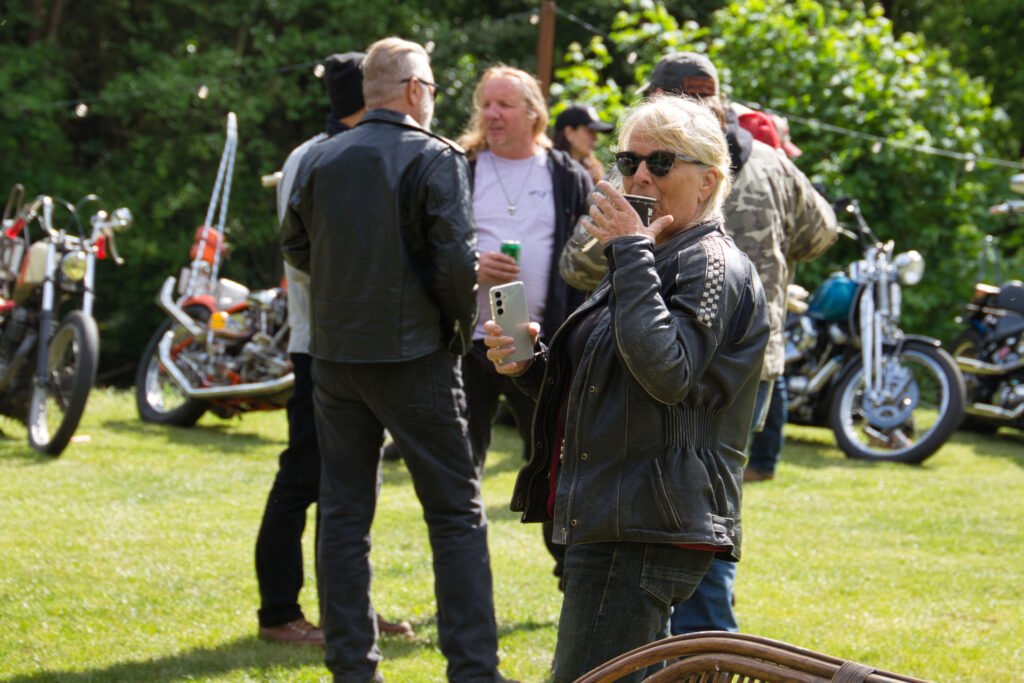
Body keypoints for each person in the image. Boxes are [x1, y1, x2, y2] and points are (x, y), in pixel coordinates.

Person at [483, 96, 770, 682]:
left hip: (645, 522)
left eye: (661, 162)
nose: (639, 175)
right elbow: (612, 382)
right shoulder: (653, 257)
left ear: (708, 180)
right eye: (628, 159)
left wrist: (630, 252)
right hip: (621, 515)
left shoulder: (708, 263)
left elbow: (668, 375)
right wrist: (530, 365)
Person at [281, 37, 507, 682]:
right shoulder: (432, 157)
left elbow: (295, 245)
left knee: (344, 513)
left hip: (337, 355)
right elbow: (452, 264)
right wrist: (460, 331)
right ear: (414, 90)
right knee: (457, 514)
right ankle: (473, 671)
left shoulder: (322, 156)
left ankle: (352, 668)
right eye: (432, 88)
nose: (433, 99)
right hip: (413, 357)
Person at [638, 52, 838, 634]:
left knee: (666, 507)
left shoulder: (643, 166)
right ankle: (703, 646)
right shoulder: (773, 162)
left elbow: (581, 259)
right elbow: (822, 231)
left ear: (659, 98)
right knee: (714, 504)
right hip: (755, 365)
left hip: (660, 350)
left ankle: (682, 647)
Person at [256, 52, 413, 648]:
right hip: (320, 345)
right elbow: (305, 255)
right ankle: (278, 613)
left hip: (354, 345)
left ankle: (349, 611)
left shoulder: (342, 152)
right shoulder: (314, 157)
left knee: (353, 488)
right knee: (304, 477)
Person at [456, 65, 592, 589]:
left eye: (504, 105)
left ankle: (572, 576)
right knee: (462, 467)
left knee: (556, 461)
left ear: (533, 112)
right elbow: (432, 244)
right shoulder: (460, 165)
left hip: (543, 347)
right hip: (469, 343)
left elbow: (587, 260)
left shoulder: (565, 173)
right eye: (485, 104)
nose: (491, 114)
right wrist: (474, 267)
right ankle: (465, 584)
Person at [552, 103, 614, 183]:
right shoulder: (547, 171)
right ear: (569, 133)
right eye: (590, 131)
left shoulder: (594, 173)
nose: (595, 138)